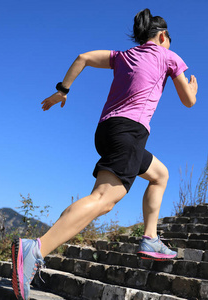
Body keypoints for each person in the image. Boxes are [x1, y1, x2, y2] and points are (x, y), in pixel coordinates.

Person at [11, 8, 198, 300]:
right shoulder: (169, 56)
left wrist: (63, 90)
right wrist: (192, 88)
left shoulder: (123, 55)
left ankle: (150, 238)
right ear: (162, 36)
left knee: (159, 175)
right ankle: (35, 249)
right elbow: (188, 101)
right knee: (102, 200)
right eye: (168, 40)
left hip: (107, 130)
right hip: (131, 133)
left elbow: (83, 57)